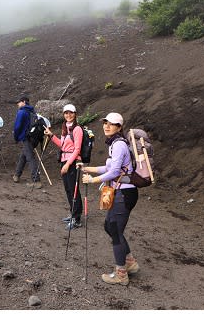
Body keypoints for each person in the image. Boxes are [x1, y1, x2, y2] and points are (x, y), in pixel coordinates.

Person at [81, 112, 139, 286]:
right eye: (105, 122)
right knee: (110, 227)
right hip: (122, 193)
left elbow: (113, 172)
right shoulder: (115, 143)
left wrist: (92, 181)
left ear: (119, 127)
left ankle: (121, 273)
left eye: (111, 124)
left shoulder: (119, 144)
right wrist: (87, 169)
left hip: (123, 194)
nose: (106, 126)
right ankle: (130, 263)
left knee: (114, 230)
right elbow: (108, 167)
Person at [44, 104, 83, 230]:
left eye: (71, 113)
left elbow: (77, 149)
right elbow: (62, 145)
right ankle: (73, 213)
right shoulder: (65, 128)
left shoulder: (77, 129)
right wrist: (51, 135)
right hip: (64, 160)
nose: (68, 115)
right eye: (66, 113)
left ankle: (77, 219)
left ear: (75, 114)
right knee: (68, 189)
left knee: (74, 190)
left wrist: (67, 164)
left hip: (72, 163)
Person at [12, 95, 42, 188]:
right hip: (35, 138)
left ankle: (36, 181)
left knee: (30, 158)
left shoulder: (22, 112)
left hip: (27, 138)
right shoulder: (33, 111)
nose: (18, 104)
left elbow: (17, 127)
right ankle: (17, 175)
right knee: (24, 156)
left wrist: (16, 137)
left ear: (24, 102)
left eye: (19, 102)